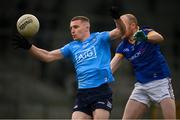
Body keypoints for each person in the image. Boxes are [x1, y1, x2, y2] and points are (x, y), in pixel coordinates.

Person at [12, 8, 126, 119]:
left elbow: (121, 31)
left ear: (87, 27)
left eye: (76, 27)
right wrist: (29, 47)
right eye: (71, 28)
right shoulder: (72, 47)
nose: (72, 30)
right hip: (83, 93)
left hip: (101, 89)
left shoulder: (99, 37)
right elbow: (48, 56)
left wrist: (117, 19)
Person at [110, 13, 176, 119]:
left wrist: (145, 38)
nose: (119, 29)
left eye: (122, 26)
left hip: (161, 82)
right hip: (142, 86)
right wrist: (99, 78)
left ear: (132, 25)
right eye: (118, 27)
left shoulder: (145, 32)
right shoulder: (123, 46)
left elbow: (159, 38)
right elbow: (112, 65)